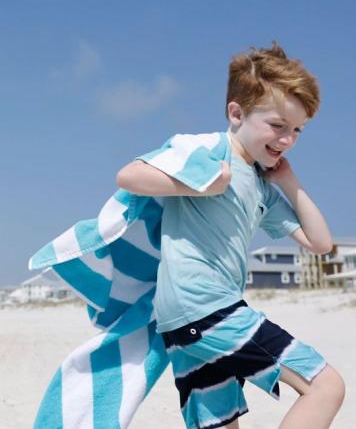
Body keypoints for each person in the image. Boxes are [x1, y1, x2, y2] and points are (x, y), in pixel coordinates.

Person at [114, 43, 345, 429]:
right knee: (326, 387)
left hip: (189, 320)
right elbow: (129, 176)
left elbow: (320, 243)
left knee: (221, 422)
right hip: (207, 308)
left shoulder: (261, 184)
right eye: (277, 125)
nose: (287, 139)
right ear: (236, 113)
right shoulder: (205, 151)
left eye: (297, 131)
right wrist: (203, 184)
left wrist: (289, 181)